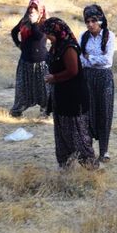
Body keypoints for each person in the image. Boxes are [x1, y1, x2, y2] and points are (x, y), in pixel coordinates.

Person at [42, 17, 97, 169]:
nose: (47, 37)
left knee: (77, 133)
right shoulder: (56, 45)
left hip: (74, 96)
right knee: (62, 132)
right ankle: (66, 164)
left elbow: (73, 71)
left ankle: (90, 166)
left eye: (49, 34)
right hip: (60, 95)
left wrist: (55, 77)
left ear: (57, 32)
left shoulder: (68, 48)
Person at [80, 4, 115, 163]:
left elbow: (107, 60)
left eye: (93, 21)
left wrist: (90, 58)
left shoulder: (109, 36)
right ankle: (88, 150)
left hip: (104, 78)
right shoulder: (83, 36)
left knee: (104, 111)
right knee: (87, 111)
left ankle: (104, 151)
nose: (90, 24)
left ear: (100, 20)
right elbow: (81, 58)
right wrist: (89, 59)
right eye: (87, 21)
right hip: (87, 77)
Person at [9, 0, 50, 118]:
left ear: (40, 10)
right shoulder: (25, 20)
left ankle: (45, 111)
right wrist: (18, 44)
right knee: (23, 87)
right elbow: (13, 31)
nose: (32, 10)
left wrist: (34, 24)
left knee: (44, 88)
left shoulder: (45, 23)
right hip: (25, 60)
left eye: (35, 8)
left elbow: (39, 36)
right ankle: (17, 110)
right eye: (30, 7)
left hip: (41, 61)